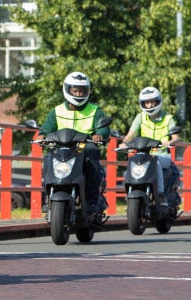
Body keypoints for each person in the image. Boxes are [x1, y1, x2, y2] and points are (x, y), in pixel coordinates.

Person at [38, 71, 110, 213]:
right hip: (62, 148)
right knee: (48, 160)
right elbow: (46, 128)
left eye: (82, 91)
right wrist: (42, 137)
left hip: (85, 147)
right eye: (75, 91)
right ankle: (48, 198)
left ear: (88, 91)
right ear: (67, 90)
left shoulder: (95, 110)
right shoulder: (57, 111)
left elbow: (103, 128)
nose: (78, 94)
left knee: (93, 162)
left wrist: (99, 135)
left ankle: (92, 200)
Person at [119, 86, 180, 206]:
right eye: (147, 102)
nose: (150, 105)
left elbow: (175, 137)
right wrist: (124, 143)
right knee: (132, 160)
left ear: (158, 102)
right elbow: (131, 134)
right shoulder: (140, 117)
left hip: (162, 155)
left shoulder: (168, 118)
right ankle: (130, 192)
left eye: (152, 102)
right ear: (143, 104)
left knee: (155, 161)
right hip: (144, 154)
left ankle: (161, 194)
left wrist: (170, 142)